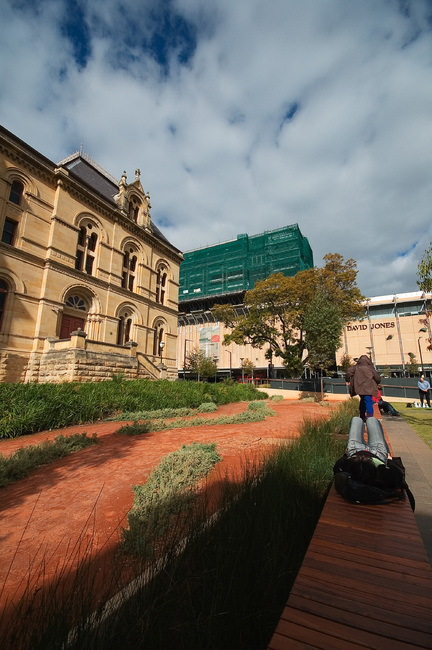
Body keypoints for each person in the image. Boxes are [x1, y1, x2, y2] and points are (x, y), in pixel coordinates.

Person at [345, 355, 381, 421]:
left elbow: (348, 373)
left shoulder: (356, 367)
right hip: (369, 387)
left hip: (359, 386)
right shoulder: (370, 368)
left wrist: (347, 380)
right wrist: (377, 382)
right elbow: (377, 377)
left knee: (363, 399)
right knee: (368, 400)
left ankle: (362, 415)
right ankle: (369, 416)